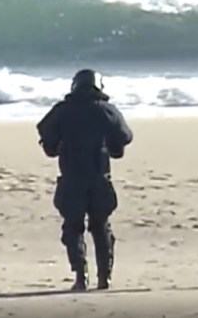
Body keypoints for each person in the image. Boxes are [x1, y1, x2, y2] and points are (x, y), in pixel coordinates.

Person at [36, 69, 133, 291]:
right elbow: (124, 138)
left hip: (71, 179)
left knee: (73, 228)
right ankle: (104, 278)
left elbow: (46, 138)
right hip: (99, 179)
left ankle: (81, 276)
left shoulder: (62, 111)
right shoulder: (107, 111)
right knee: (101, 227)